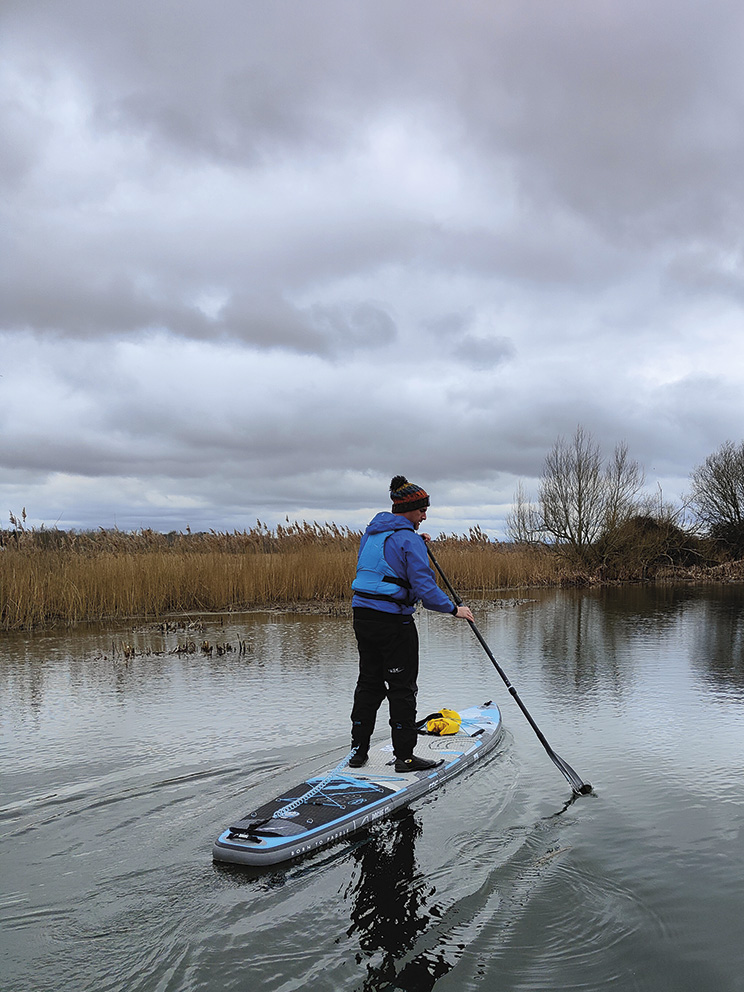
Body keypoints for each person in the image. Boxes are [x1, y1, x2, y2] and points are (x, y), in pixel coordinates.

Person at [349, 475, 474, 772]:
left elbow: (387, 562)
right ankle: (405, 758)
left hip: (363, 618)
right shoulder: (407, 539)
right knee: (402, 688)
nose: (425, 516)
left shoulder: (373, 534)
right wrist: (454, 609)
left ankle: (358, 753)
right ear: (409, 510)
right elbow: (425, 590)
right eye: (422, 511)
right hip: (394, 624)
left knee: (369, 685)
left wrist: (416, 541)